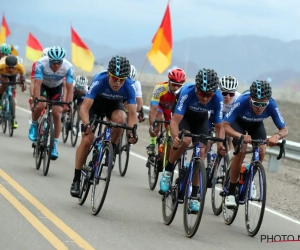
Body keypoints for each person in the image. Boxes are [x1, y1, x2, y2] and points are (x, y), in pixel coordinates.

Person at [70, 56, 138, 198]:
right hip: (95, 104)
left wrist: (132, 132)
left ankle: (110, 148)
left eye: (122, 79)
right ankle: (76, 179)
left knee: (121, 120)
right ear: (108, 74)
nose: (118, 83)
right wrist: (86, 124)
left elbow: (132, 114)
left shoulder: (129, 85)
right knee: (87, 139)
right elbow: (84, 107)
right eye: (114, 78)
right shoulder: (99, 80)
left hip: (113, 105)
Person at [159, 68, 227, 212]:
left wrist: (221, 144)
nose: (205, 98)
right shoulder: (187, 92)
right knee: (185, 141)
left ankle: (195, 195)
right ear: (196, 88)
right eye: (202, 94)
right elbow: (174, 122)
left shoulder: (218, 98)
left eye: (209, 95)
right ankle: (168, 170)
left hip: (201, 120)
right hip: (183, 117)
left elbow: (220, 127)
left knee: (200, 154)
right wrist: (175, 137)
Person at [223, 80, 288, 208]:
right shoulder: (241, 102)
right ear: (250, 98)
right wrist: (240, 136)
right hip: (238, 124)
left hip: (256, 125)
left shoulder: (272, 105)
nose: (260, 107)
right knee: (241, 150)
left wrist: (276, 136)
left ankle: (250, 177)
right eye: (256, 103)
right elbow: (225, 125)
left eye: (263, 104)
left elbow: (284, 129)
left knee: (262, 150)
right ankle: (230, 192)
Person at [28, 46, 74, 160]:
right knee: (41, 105)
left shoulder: (68, 67)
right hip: (43, 86)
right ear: (49, 60)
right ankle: (34, 125)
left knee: (57, 114)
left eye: (59, 63)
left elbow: (69, 89)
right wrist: (35, 99)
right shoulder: (41, 63)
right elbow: (37, 84)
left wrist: (68, 104)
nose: (57, 65)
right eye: (54, 63)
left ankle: (54, 145)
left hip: (56, 88)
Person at [146, 68, 186, 156]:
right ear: (169, 81)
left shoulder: (183, 92)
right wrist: (152, 125)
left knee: (170, 130)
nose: (176, 87)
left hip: (170, 110)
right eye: (174, 84)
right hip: (159, 107)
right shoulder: (160, 88)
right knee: (158, 119)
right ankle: (152, 144)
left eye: (179, 85)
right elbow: (153, 109)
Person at [206, 75, 241, 155]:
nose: (228, 97)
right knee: (206, 143)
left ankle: (224, 159)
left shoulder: (239, 98)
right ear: (219, 90)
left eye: (231, 94)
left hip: (227, 118)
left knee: (229, 137)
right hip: (213, 116)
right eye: (224, 93)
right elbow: (207, 115)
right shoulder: (214, 95)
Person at [0, 55, 26, 128]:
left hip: (13, 76)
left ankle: (13, 118)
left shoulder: (20, 67)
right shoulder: (1, 65)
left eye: (13, 67)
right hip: (3, 74)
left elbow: (22, 80)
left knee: (12, 88)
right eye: (9, 67)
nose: (11, 69)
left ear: (16, 66)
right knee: (5, 82)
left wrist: (23, 85)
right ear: (6, 66)